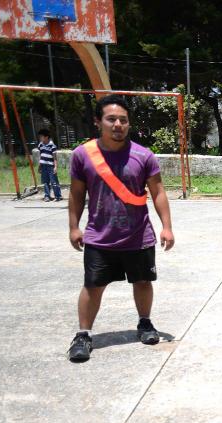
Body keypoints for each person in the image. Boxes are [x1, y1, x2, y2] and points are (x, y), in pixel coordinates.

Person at [66, 94, 175, 363]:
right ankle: (83, 335)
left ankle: (145, 323)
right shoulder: (83, 155)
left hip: (138, 235)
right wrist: (74, 227)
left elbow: (158, 192)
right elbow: (77, 194)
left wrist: (167, 227)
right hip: (99, 236)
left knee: (143, 281)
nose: (118, 124)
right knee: (93, 286)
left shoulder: (143, 155)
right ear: (98, 122)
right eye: (111, 119)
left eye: (123, 120)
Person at [36, 128, 62, 202]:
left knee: (54, 182)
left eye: (41, 136)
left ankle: (58, 196)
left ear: (46, 137)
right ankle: (47, 196)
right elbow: (41, 156)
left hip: (51, 166)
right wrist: (39, 166)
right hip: (43, 166)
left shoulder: (52, 145)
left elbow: (55, 158)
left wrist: (55, 167)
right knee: (45, 182)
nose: (40, 138)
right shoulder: (40, 145)